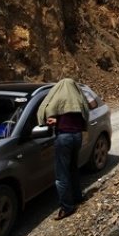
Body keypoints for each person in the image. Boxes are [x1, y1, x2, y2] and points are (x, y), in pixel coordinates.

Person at [37, 78, 90, 220]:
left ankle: (67, 207)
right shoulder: (78, 100)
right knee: (73, 169)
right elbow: (80, 118)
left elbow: (51, 114)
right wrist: (59, 121)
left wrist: (54, 121)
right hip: (77, 137)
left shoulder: (58, 100)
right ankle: (78, 197)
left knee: (61, 176)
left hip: (64, 138)